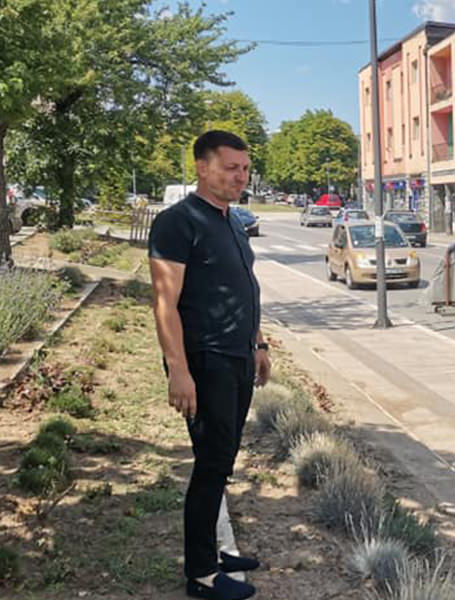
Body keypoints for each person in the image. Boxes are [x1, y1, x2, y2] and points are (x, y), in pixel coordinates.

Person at [149, 130, 267, 600]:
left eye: (244, 168)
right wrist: (178, 370)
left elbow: (243, 289)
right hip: (206, 361)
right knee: (210, 464)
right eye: (230, 167)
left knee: (222, 460)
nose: (240, 176)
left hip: (239, 356)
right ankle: (200, 574)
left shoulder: (232, 220)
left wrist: (259, 344)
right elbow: (164, 303)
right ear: (202, 167)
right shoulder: (178, 222)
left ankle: (217, 552)